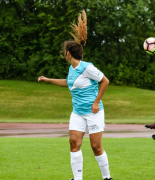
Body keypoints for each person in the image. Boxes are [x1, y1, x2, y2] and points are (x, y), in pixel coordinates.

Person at [38, 10, 112, 180]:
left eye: (64, 52)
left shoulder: (87, 67)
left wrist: (96, 102)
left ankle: (107, 177)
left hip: (94, 112)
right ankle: (77, 179)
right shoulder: (72, 69)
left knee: (96, 147)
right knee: (74, 143)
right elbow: (68, 83)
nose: (64, 54)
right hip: (77, 112)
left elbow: (105, 81)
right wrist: (48, 80)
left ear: (68, 53)